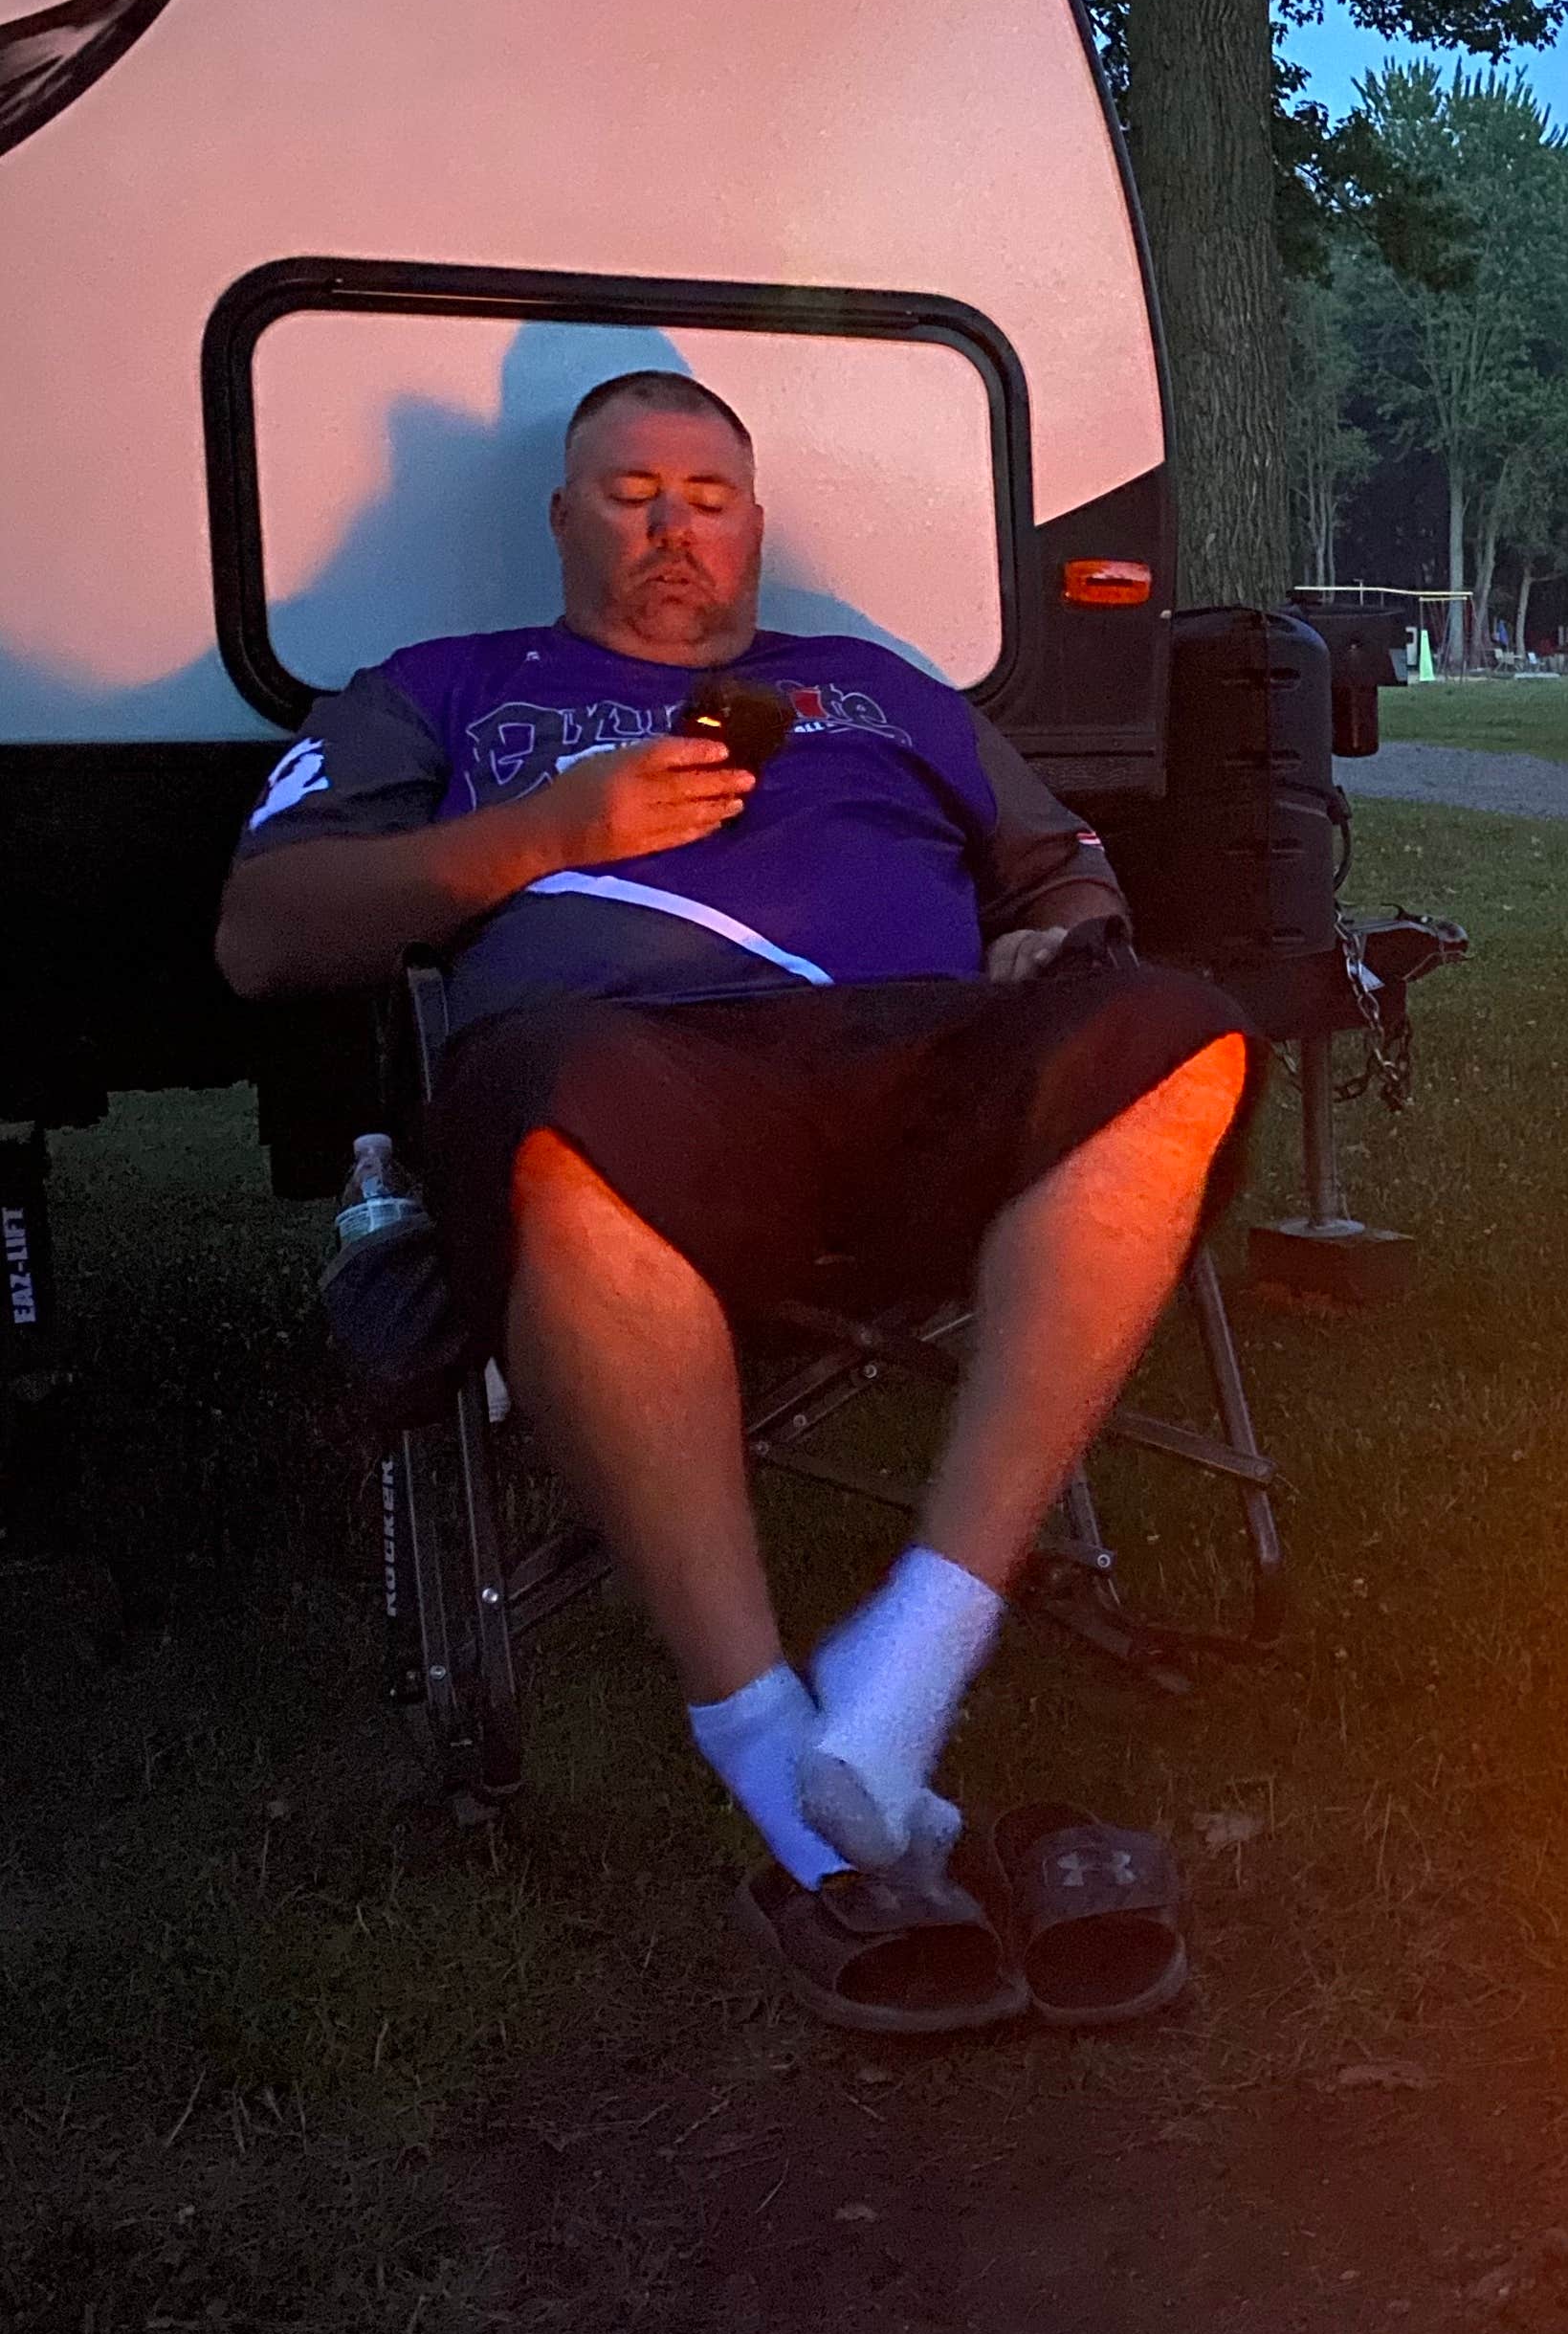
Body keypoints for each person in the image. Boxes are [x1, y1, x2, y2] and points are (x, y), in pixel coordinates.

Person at [216, 368, 1252, 2034]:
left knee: (1178, 1033)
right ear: (562, 518)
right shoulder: (443, 690)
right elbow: (263, 933)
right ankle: (770, 1743)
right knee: (545, 1095)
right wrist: (543, 833)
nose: (671, 529)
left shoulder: (875, 689)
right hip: (639, 1079)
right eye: (631, 494)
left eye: (707, 497)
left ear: (755, 525)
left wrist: (1059, 939)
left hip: (919, 1071)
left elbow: (1064, 869)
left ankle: (912, 1658)